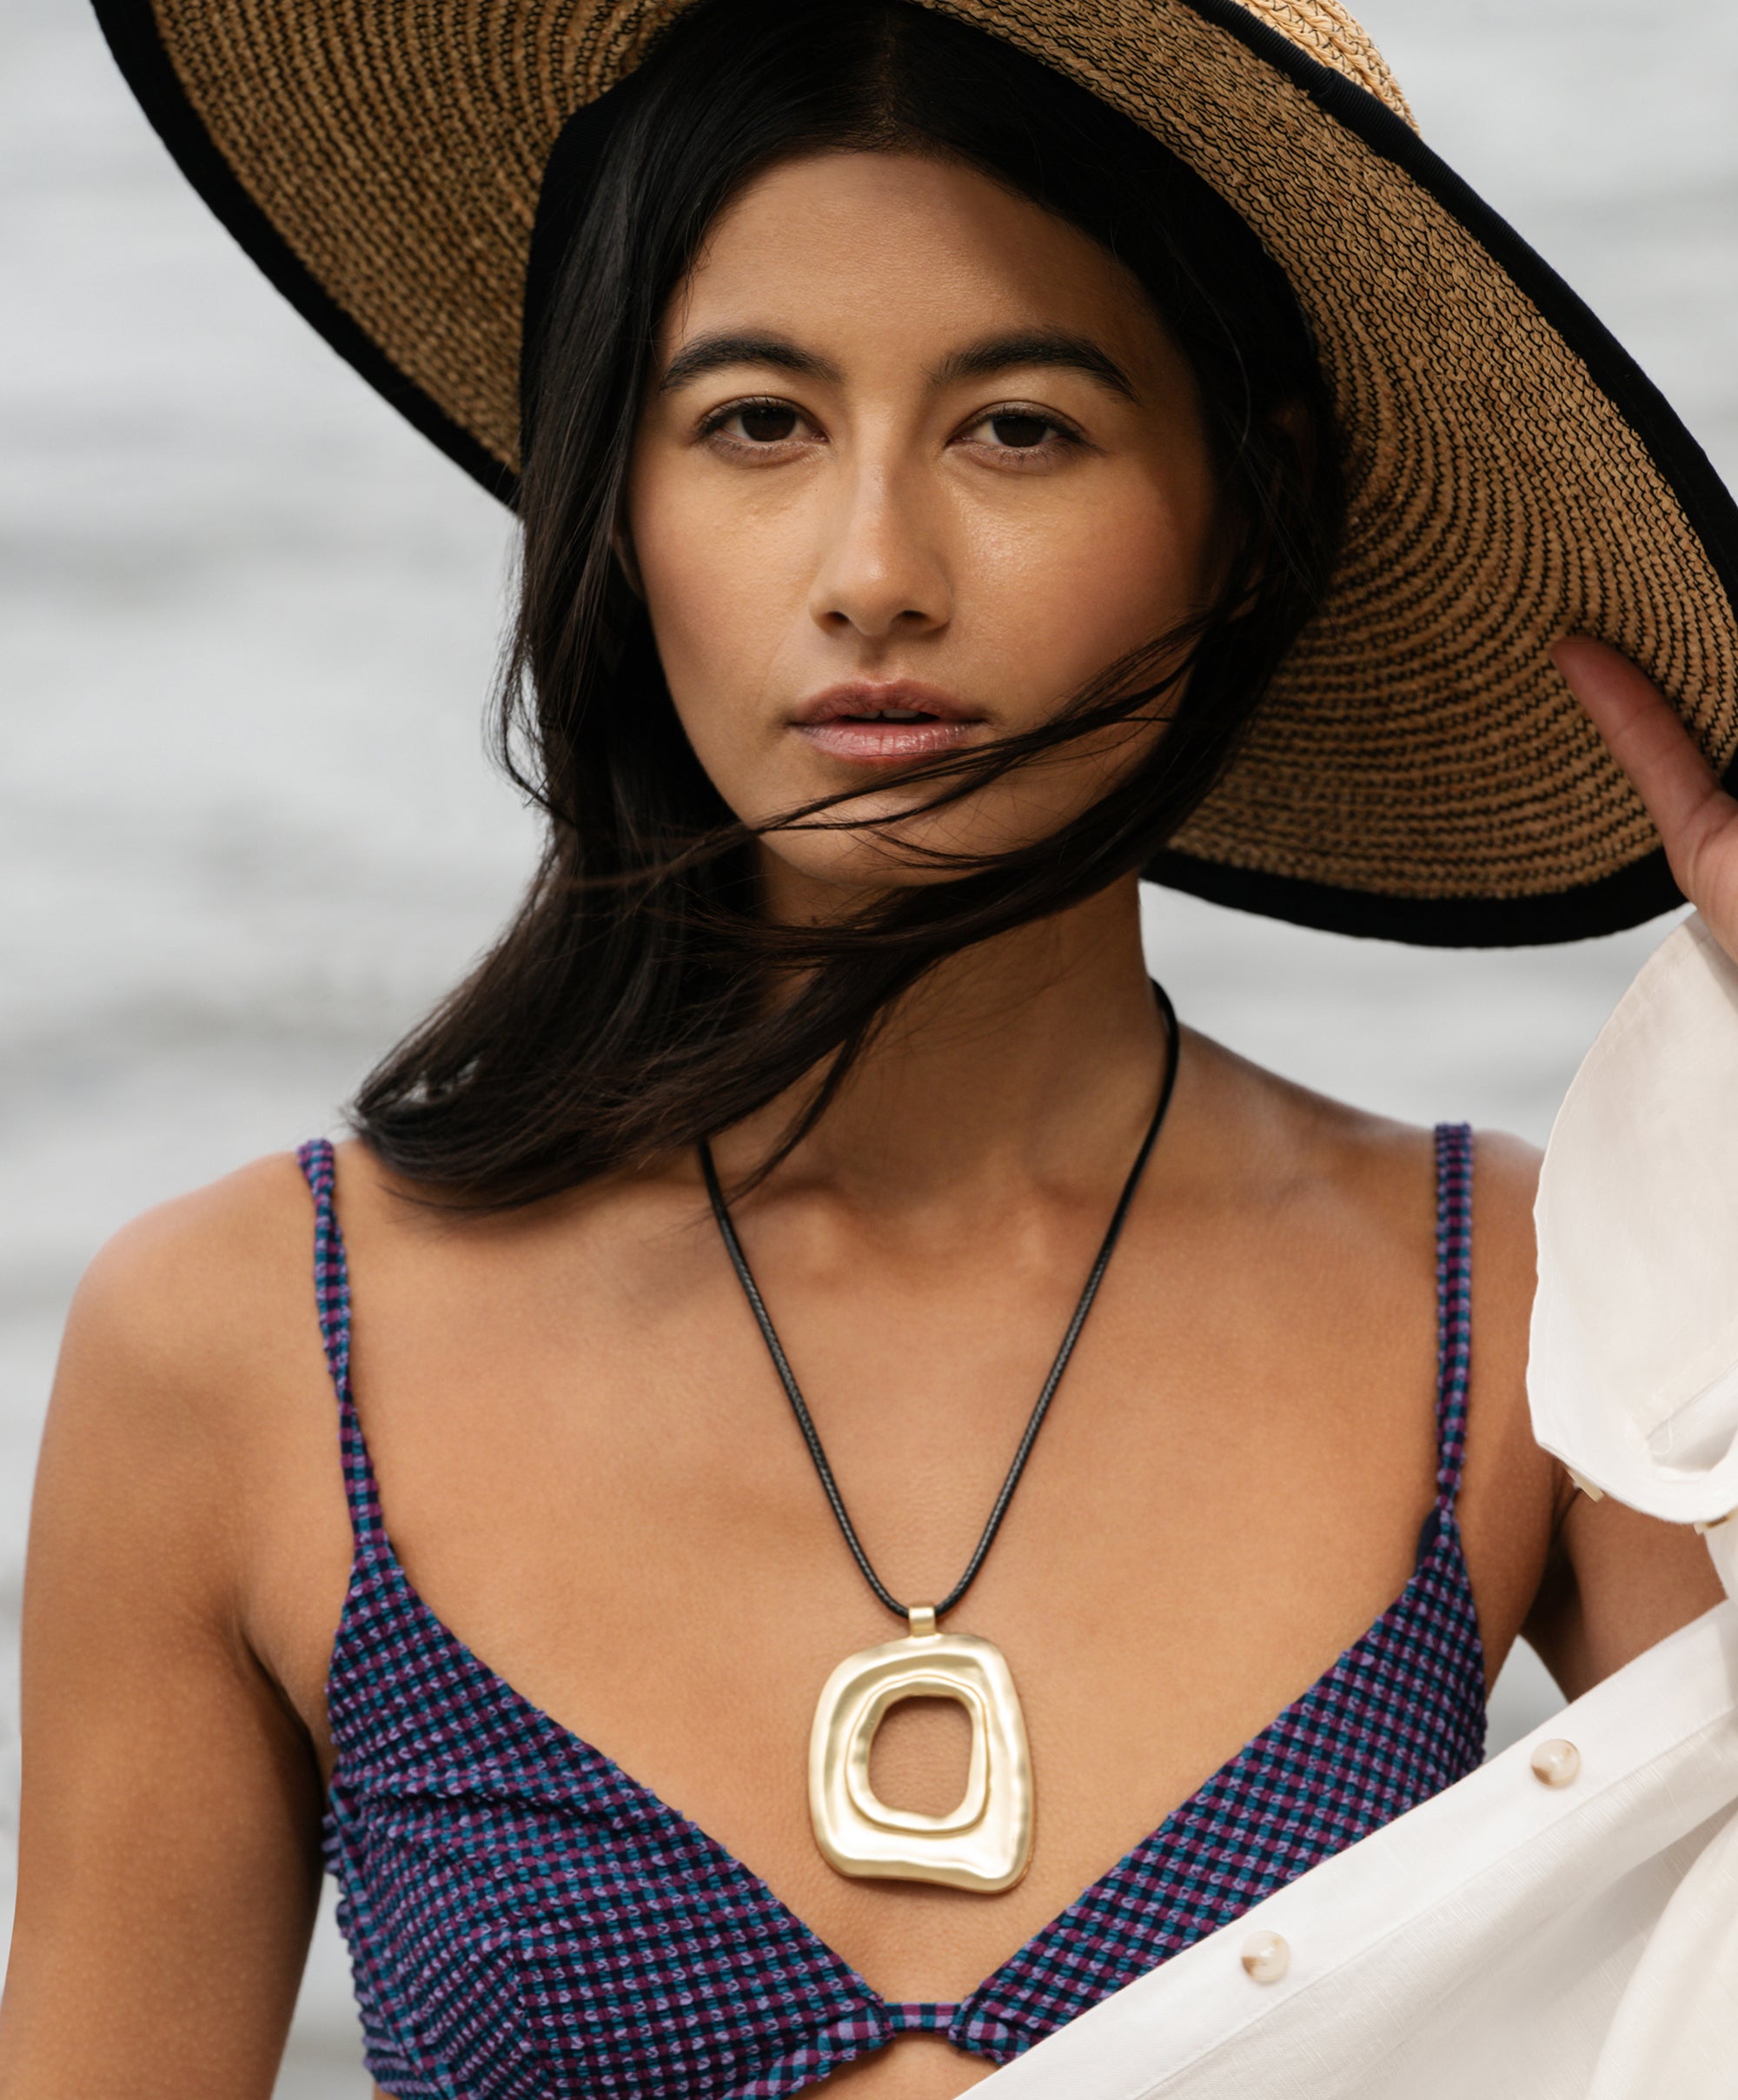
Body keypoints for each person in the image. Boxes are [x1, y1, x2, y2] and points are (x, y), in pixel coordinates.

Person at [3, 1, 1735, 2095]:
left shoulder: (1540, 1309)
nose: (874, 575)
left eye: (1018, 427)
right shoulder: (247, 1346)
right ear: (605, 488)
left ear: (1246, 502)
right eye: (753, 422)